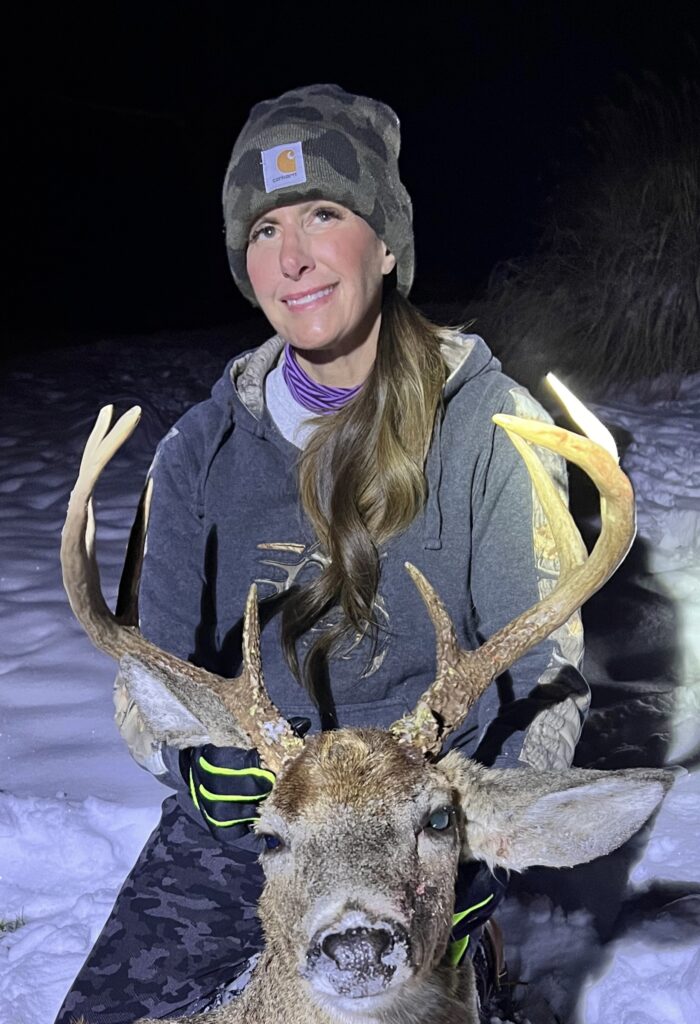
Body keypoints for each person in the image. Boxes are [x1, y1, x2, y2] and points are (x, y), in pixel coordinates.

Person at [55, 83, 587, 1024]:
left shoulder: (493, 432)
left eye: (324, 214)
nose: (291, 256)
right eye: (262, 231)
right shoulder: (196, 456)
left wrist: (468, 823)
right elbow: (146, 679)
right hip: (265, 824)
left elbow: (545, 670)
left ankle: (483, 945)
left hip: (419, 821)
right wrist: (189, 767)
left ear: (386, 245)